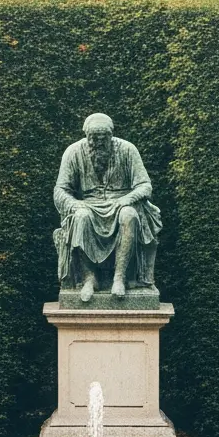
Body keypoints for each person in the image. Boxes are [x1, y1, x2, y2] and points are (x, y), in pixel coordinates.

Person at [52, 112, 162, 300]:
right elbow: (60, 190)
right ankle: (89, 278)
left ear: (111, 135)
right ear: (87, 136)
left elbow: (145, 185)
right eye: (94, 138)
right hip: (89, 205)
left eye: (104, 138)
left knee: (129, 215)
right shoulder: (73, 152)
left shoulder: (128, 150)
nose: (99, 142)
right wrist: (75, 205)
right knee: (81, 217)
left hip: (122, 202)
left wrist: (127, 199)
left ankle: (119, 278)